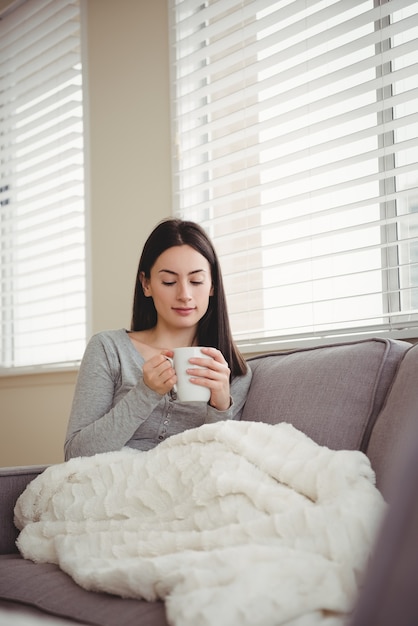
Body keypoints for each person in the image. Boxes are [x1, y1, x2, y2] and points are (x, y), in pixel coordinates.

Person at [64, 217, 252, 459]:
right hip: (112, 484)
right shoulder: (109, 349)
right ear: (146, 284)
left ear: (213, 285)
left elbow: (222, 465)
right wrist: (146, 392)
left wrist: (220, 407)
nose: (184, 295)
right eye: (169, 281)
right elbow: (75, 455)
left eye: (196, 281)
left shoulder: (232, 372)